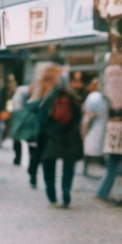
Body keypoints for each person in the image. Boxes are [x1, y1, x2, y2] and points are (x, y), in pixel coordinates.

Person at [94, 58, 122, 202]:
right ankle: (103, 191)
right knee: (114, 163)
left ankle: (103, 190)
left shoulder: (105, 80)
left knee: (112, 162)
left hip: (109, 127)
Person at [37, 71, 82, 207]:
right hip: (69, 138)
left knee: (49, 167)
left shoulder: (49, 98)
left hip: (52, 138)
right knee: (68, 168)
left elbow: (42, 117)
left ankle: (52, 196)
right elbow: (78, 118)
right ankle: (66, 194)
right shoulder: (73, 98)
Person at [80, 78, 108, 177]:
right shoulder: (100, 98)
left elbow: (87, 116)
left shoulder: (93, 97)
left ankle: (87, 169)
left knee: (89, 149)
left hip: (93, 127)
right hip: (98, 127)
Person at [8, 82, 32, 167]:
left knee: (17, 139)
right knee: (28, 139)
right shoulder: (25, 92)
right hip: (24, 117)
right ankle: (23, 158)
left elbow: (15, 106)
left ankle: (18, 158)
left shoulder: (20, 92)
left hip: (19, 117)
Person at [0, 74, 18, 148]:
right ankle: (1, 140)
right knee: (4, 127)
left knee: (10, 127)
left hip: (12, 111)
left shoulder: (15, 89)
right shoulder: (3, 90)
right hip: (5, 111)